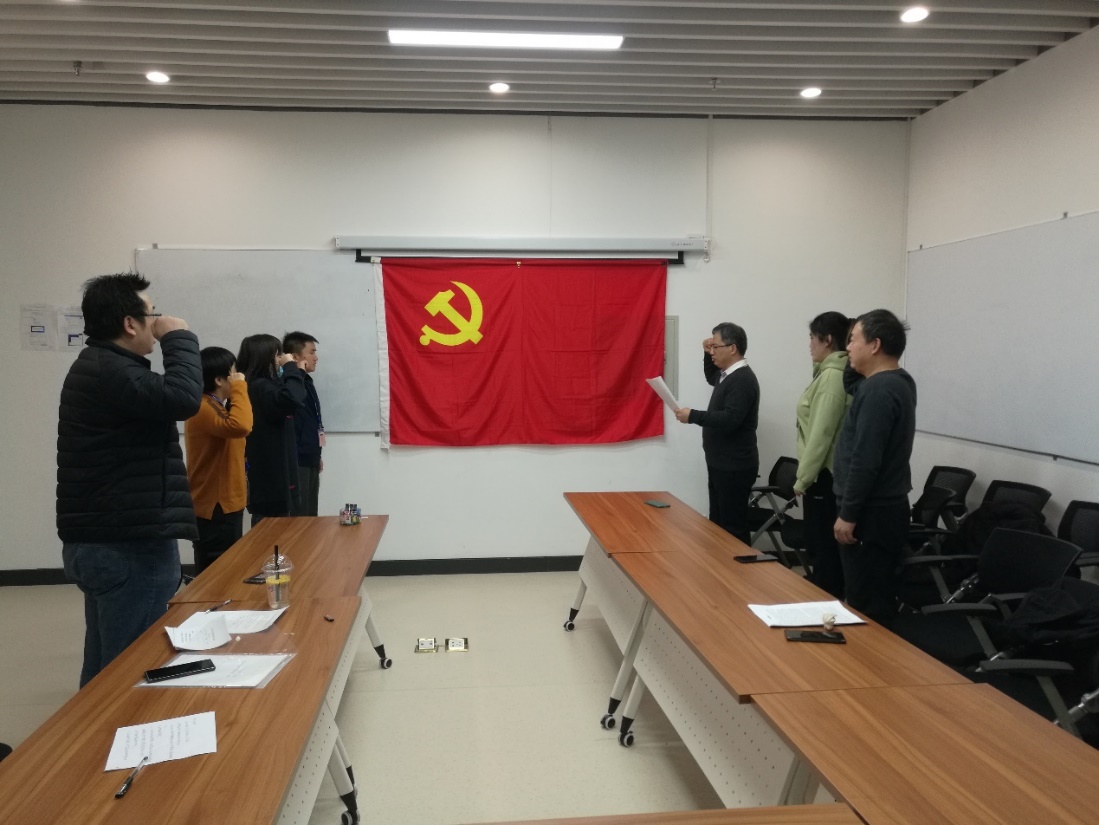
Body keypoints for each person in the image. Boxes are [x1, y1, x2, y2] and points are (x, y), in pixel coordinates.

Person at [57, 273, 201, 687]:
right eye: (151, 314)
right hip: (129, 545)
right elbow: (183, 397)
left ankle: (93, 728)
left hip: (108, 538)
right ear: (129, 323)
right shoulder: (112, 370)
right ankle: (117, 729)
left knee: (106, 668)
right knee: (131, 671)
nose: (156, 323)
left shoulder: (101, 366)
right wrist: (179, 337)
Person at [832, 309, 917, 627]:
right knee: (868, 597)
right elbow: (851, 380)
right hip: (881, 509)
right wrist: (856, 345)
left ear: (875, 345)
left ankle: (871, 659)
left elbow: (866, 460)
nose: (847, 348)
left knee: (867, 605)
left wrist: (848, 514)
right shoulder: (893, 382)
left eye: (853, 340)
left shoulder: (880, 391)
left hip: (872, 513)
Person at [675, 323, 760, 544]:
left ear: (732, 348)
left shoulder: (742, 379)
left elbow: (730, 419)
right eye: (711, 347)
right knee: (719, 525)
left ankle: (740, 566)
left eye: (716, 347)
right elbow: (711, 377)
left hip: (734, 466)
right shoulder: (726, 375)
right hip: (721, 463)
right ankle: (721, 565)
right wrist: (706, 354)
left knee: (732, 529)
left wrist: (693, 416)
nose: (712, 351)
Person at [794, 312, 853, 599]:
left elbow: (821, 436)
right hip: (823, 475)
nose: (809, 344)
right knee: (820, 548)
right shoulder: (827, 372)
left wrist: (803, 479)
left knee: (823, 550)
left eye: (812, 338)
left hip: (824, 476)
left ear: (827, 340)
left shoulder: (832, 377)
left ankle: (826, 607)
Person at [184, 347, 253, 574]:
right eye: (233, 372)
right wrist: (240, 387)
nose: (238, 376)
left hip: (224, 503)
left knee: (228, 569)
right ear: (219, 379)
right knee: (216, 571)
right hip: (214, 506)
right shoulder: (203, 407)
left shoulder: (214, 405)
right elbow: (242, 426)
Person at [237, 334, 306, 526]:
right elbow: (292, 398)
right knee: (270, 535)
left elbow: (293, 395)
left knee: (281, 531)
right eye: (277, 355)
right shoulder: (258, 387)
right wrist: (290, 367)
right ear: (264, 357)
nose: (280, 359)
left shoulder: (264, 386)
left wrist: (296, 373)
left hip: (276, 476)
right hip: (270, 480)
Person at [282, 331, 323, 517]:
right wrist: (295, 372)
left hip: (310, 456)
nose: (316, 358)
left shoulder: (307, 381)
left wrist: (317, 454)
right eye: (311, 352)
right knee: (299, 518)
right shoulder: (289, 384)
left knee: (310, 515)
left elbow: (312, 420)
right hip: (297, 459)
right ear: (296, 357)